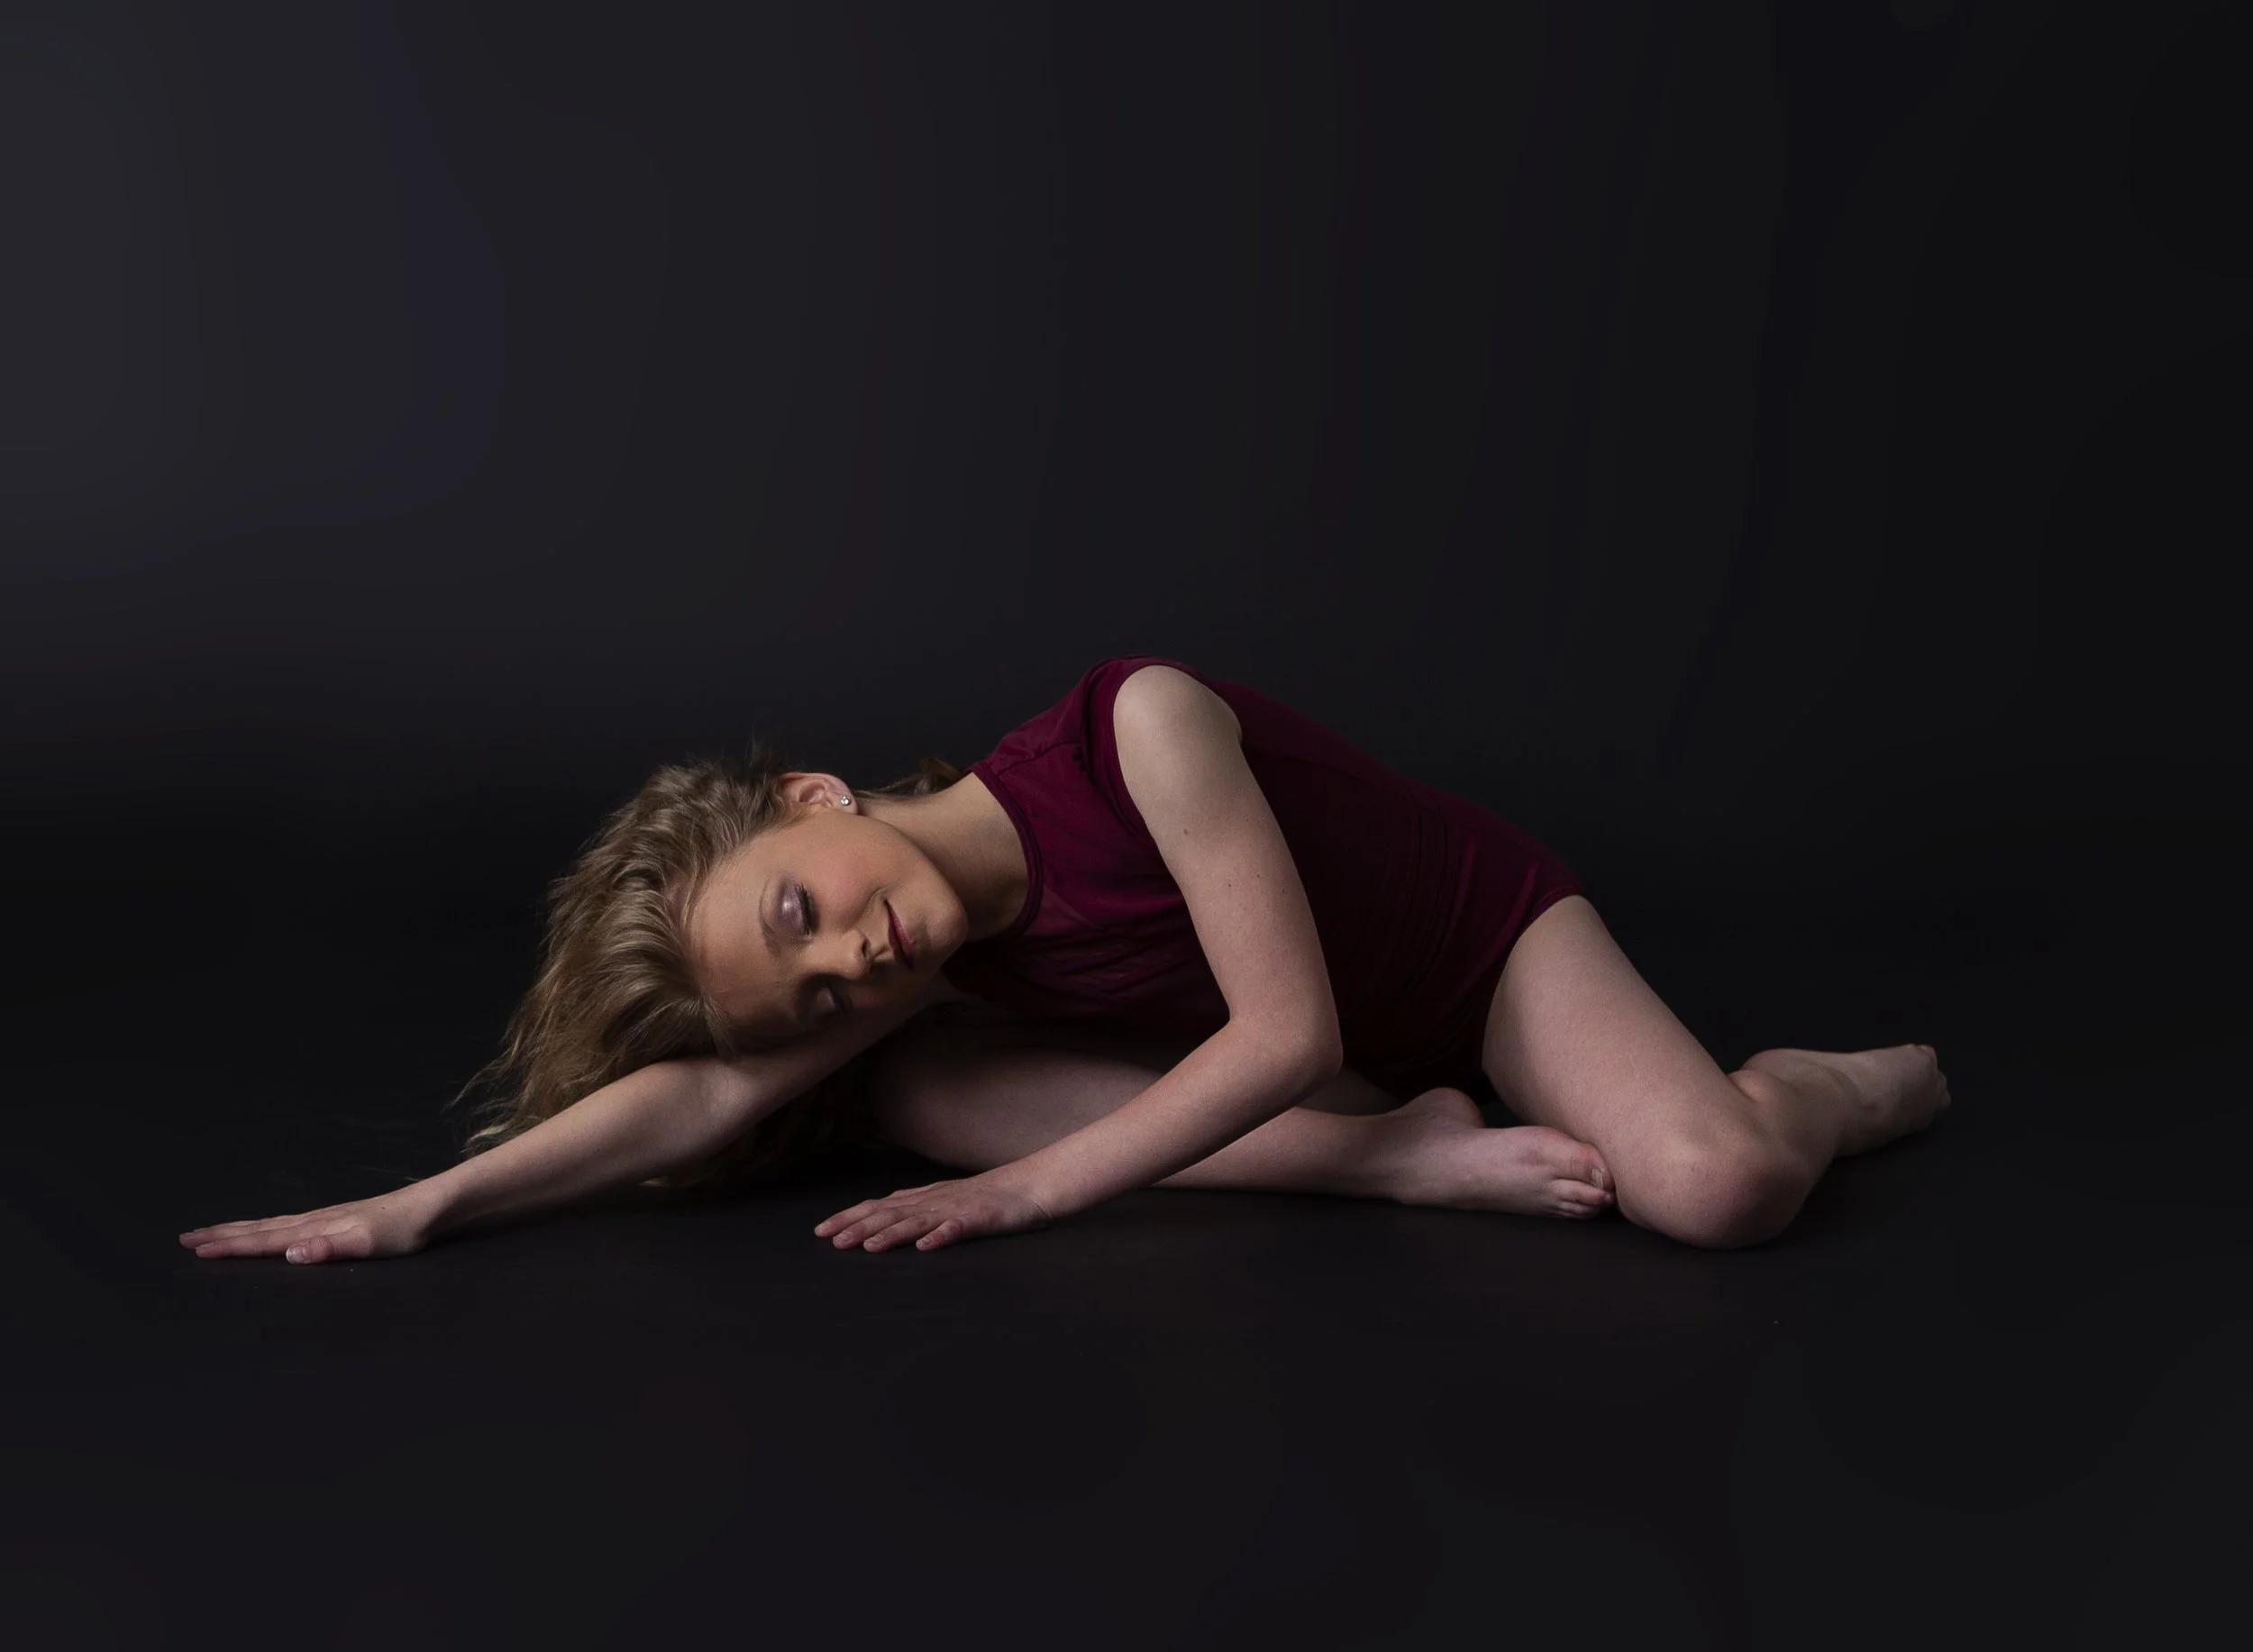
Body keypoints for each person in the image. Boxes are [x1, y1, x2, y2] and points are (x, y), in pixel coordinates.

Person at [178, 654, 1950, 1266]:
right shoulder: (914, 988)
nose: (845, 969)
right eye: (812, 994)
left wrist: (1029, 1197)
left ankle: (1819, 1084)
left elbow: (1281, 1024)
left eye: (801, 912)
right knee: (925, 1078)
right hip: (1339, 1092)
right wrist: (415, 1208)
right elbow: (699, 1093)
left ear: (811, 797)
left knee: (1712, 1187)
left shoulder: (1140, 728)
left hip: (1469, 962)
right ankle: (1395, 1156)